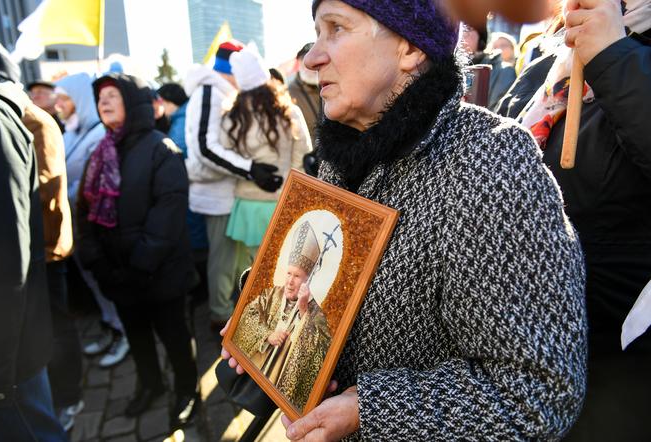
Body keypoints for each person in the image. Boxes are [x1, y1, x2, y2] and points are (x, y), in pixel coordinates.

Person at [222, 0, 588, 440]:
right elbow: (332, 288)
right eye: (316, 32)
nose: (313, 56)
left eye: (336, 28)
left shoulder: (488, 166)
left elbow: (536, 393)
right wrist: (260, 311)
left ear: (410, 48)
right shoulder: (345, 157)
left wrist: (371, 410)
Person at [499, 0, 651, 439]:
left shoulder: (620, 53)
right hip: (526, 361)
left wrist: (612, 55)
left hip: (615, 374)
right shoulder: (548, 67)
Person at [76, 73, 198, 429]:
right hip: (118, 275)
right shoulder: (100, 152)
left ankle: (187, 391)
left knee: (175, 337)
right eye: (100, 98)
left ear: (134, 102)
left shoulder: (161, 149)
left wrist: (138, 266)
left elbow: (168, 214)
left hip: (159, 274)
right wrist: (98, 261)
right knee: (138, 337)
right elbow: (83, 211)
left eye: (114, 95)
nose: (105, 102)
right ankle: (150, 385)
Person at [0, 39, 82, 432]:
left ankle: (71, 394)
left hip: (42, 250)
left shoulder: (17, 119)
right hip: (35, 250)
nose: (53, 101)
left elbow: (45, 188)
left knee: (58, 329)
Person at [184, 40, 283, 329]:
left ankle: (235, 312)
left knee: (239, 261)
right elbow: (205, 146)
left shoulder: (223, 91)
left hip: (232, 192)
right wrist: (250, 168)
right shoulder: (209, 90)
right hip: (217, 194)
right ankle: (219, 315)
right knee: (224, 260)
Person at [54, 72, 130, 368]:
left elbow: (93, 186)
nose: (58, 104)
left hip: (93, 226)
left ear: (79, 100)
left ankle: (123, 332)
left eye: (64, 98)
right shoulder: (69, 132)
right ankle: (111, 327)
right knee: (95, 285)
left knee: (107, 284)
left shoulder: (99, 136)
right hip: (74, 226)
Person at [221, 45, 312, 258]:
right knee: (288, 272)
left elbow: (225, 160)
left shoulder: (231, 119)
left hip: (249, 206)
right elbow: (303, 156)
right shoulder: (290, 112)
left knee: (254, 272)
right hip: (283, 201)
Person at [233, 221, 332, 411]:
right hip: (250, 374)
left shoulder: (315, 312)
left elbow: (321, 349)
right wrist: (267, 334)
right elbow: (248, 315)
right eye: (288, 273)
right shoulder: (273, 295)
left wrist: (304, 312)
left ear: (307, 281)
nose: (290, 281)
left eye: (297, 276)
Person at [157, 82, 210, 305]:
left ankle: (201, 291)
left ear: (168, 102)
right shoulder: (186, 114)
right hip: (199, 190)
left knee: (197, 241)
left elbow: (178, 159)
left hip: (194, 191)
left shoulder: (179, 121)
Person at [461, 24, 517, 110]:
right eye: (495, 46)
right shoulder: (449, 67)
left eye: (503, 45)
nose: (499, 49)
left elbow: (496, 108)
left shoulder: (506, 71)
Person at [288, 43, 322, 149]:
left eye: (315, 62)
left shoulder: (329, 88)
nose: (310, 67)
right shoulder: (288, 93)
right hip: (304, 156)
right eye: (305, 61)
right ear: (298, 62)